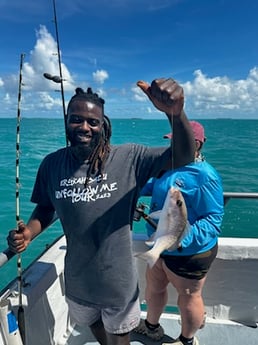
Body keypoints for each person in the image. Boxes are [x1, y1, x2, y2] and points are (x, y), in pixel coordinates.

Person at [7, 77, 196, 345]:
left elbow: (183, 156)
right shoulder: (51, 164)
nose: (84, 127)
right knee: (95, 328)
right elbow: (46, 208)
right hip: (77, 283)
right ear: (66, 121)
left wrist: (175, 114)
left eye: (93, 122)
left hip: (117, 286)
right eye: (76, 119)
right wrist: (29, 233)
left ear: (103, 125)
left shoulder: (130, 157)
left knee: (119, 338)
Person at [134, 121, 224, 345]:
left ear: (195, 144)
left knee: (189, 297)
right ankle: (151, 327)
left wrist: (181, 239)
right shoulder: (169, 166)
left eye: (177, 141)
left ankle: (186, 340)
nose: (171, 144)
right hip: (161, 245)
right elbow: (154, 186)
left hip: (190, 252)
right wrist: (128, 186)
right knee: (154, 289)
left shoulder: (206, 176)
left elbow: (213, 220)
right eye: (172, 140)